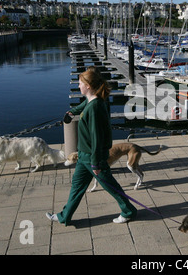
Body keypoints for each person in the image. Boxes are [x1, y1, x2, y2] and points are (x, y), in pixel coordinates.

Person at [46, 67, 137, 225]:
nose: (79, 85)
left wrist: (95, 162)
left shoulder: (95, 108)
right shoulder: (94, 100)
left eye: (80, 83)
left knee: (110, 186)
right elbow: (84, 107)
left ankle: (129, 211)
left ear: (88, 86)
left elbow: (97, 138)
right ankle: (64, 216)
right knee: (77, 186)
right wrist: (71, 113)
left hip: (93, 157)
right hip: (83, 156)